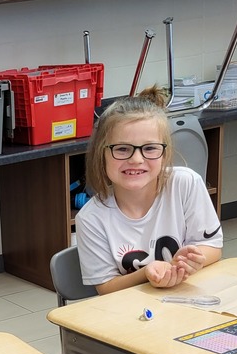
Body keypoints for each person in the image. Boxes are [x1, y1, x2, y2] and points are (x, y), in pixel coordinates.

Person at [76, 86, 223, 294]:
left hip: (189, 299)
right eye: (122, 149)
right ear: (102, 154)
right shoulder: (91, 218)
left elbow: (213, 247)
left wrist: (189, 262)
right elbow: (106, 288)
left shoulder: (186, 184)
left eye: (150, 148)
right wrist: (147, 273)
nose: (136, 160)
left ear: (165, 152)